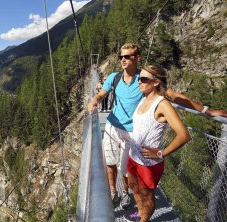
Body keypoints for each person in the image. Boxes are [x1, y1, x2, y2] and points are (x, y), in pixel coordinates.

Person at [87, 43, 227, 209]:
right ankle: (113, 191)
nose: (123, 60)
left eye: (127, 56)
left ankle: (124, 192)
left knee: (123, 167)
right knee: (110, 163)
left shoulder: (145, 79)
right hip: (112, 124)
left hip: (132, 131)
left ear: (137, 58)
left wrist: (207, 111)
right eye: (121, 57)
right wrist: (94, 100)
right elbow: (102, 94)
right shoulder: (115, 77)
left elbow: (174, 96)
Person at [124, 65, 191, 221]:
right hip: (134, 156)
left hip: (148, 163)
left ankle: (143, 218)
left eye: (144, 79)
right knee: (134, 187)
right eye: (138, 78)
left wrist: (161, 153)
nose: (139, 82)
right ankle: (140, 213)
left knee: (147, 197)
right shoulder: (144, 98)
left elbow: (184, 135)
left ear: (156, 82)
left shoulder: (162, 104)